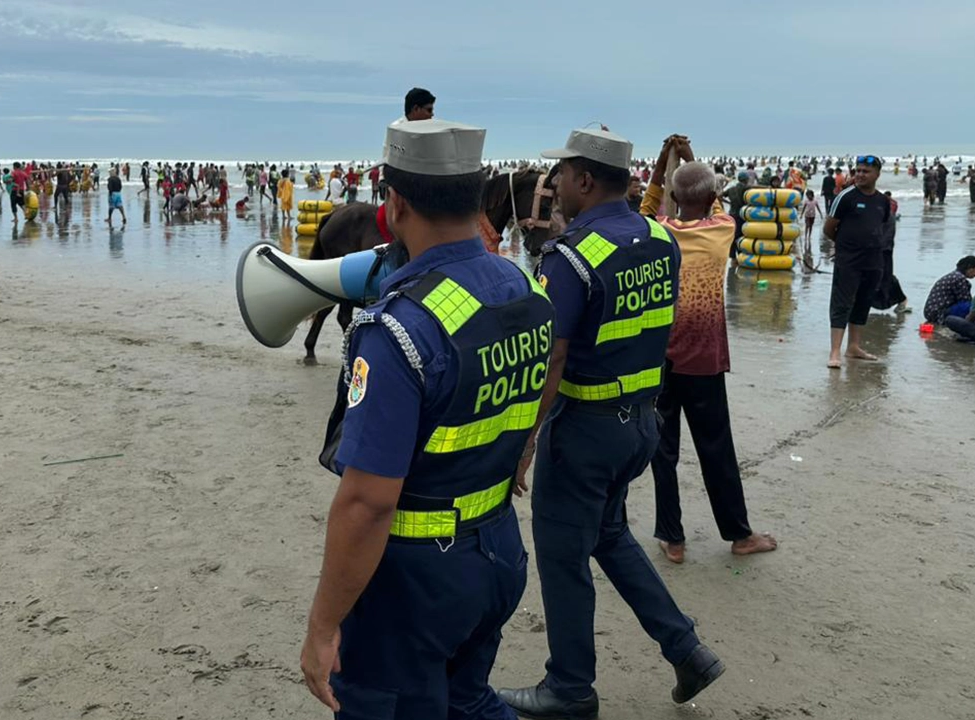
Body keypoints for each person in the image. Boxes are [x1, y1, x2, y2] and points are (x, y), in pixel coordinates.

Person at [299, 119, 554, 719]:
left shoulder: (397, 329)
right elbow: (531, 403)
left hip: (414, 585)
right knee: (467, 700)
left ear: (396, 201)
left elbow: (367, 503)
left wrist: (322, 626)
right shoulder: (524, 286)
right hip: (498, 550)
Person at [497, 131, 722, 720]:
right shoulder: (658, 238)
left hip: (586, 428)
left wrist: (525, 441)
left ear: (586, 180)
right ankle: (686, 648)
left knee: (561, 555)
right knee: (608, 534)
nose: (554, 186)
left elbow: (553, 357)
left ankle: (570, 688)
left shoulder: (571, 256)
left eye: (562, 176)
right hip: (642, 421)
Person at [636, 139, 778, 565]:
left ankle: (673, 538)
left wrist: (662, 165)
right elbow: (712, 202)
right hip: (705, 359)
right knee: (717, 447)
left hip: (660, 358)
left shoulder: (657, 233)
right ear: (713, 197)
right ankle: (738, 534)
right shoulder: (722, 230)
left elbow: (645, 210)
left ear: (675, 198)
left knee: (664, 450)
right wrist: (689, 154)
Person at [826, 155, 892, 368]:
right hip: (848, 261)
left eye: (866, 171)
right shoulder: (846, 197)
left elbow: (879, 226)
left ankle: (854, 346)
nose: (860, 175)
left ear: (877, 174)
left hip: (873, 261)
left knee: (863, 302)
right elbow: (829, 227)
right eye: (858, 171)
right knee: (841, 303)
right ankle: (835, 351)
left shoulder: (883, 201)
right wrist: (845, 246)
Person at [870, 191, 910, 313]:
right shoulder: (881, 215)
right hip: (877, 251)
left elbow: (882, 237)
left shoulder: (887, 217)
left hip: (882, 251)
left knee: (883, 278)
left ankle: (901, 300)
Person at [923, 256, 975, 323]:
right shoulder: (960, 278)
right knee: (973, 305)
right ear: (970, 268)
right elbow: (965, 301)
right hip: (939, 314)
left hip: (931, 312)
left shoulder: (954, 276)